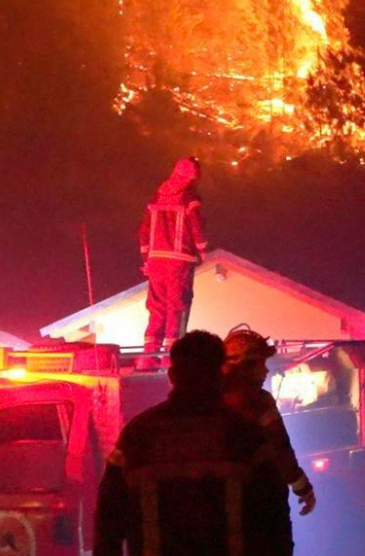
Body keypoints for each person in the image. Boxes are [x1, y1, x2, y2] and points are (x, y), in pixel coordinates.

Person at [94, 330, 290, 556]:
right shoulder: (245, 435)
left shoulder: (138, 435)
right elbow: (275, 521)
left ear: (172, 376)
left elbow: (108, 522)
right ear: (220, 375)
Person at [222, 329, 317, 527]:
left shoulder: (208, 397)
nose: (265, 371)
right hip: (255, 498)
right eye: (261, 363)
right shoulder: (259, 401)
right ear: (245, 364)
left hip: (218, 502)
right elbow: (280, 447)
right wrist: (303, 488)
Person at [138, 157, 208, 367]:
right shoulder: (188, 198)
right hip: (179, 261)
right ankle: (171, 359)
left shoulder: (157, 197)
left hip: (156, 261)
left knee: (157, 308)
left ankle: (148, 358)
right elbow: (196, 227)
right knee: (177, 307)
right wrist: (202, 250)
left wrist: (147, 258)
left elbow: (144, 230)